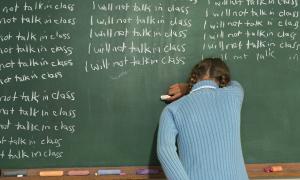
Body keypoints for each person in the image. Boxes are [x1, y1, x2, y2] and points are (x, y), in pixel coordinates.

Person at [157, 58, 248, 180]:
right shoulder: (234, 95)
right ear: (223, 79)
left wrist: (189, 88)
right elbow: (235, 83)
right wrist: (187, 88)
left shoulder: (173, 109)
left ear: (194, 77)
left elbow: (165, 151)